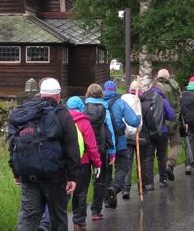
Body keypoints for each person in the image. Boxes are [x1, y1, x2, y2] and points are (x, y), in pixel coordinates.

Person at [8, 77, 81, 231]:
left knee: (28, 217)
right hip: (56, 176)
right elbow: (71, 147)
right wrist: (73, 177)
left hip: (29, 176)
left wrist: (16, 172)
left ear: (40, 94)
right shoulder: (62, 114)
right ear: (58, 95)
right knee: (58, 217)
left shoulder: (24, 113)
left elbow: (13, 144)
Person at [64, 96, 101, 231]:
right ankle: (79, 223)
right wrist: (97, 164)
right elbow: (91, 146)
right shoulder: (84, 122)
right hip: (83, 163)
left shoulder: (61, 119)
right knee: (81, 193)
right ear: (81, 107)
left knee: (64, 193)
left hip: (65, 164)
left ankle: (56, 221)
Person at [105, 79, 143, 205]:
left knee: (106, 171)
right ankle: (115, 188)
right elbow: (134, 121)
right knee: (123, 167)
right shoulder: (120, 103)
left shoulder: (98, 103)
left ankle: (107, 200)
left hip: (103, 143)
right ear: (115, 90)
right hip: (119, 142)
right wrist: (138, 116)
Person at [84, 83, 115, 220]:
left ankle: (79, 214)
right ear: (101, 94)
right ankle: (96, 211)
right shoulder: (105, 110)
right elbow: (110, 132)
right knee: (99, 180)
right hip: (100, 150)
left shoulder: (82, 108)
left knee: (83, 182)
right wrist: (112, 151)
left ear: (88, 93)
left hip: (84, 150)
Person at [139, 76, 176, 189]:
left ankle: (149, 183)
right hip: (161, 131)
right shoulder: (163, 99)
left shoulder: (144, 98)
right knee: (161, 156)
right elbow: (172, 115)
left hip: (148, 132)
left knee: (149, 156)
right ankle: (162, 180)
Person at [154, 69, 182, 182]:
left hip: (160, 121)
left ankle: (163, 174)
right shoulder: (175, 86)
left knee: (162, 148)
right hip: (173, 120)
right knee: (176, 143)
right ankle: (170, 164)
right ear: (168, 77)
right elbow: (180, 101)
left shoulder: (155, 87)